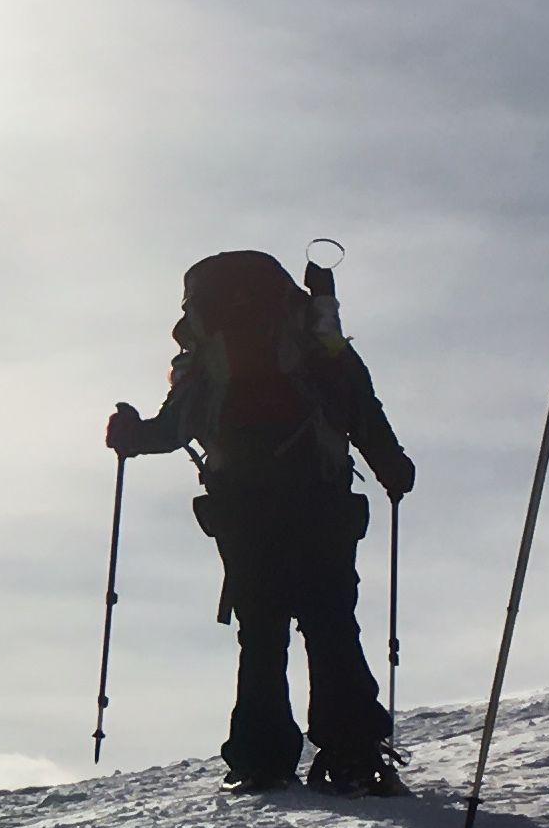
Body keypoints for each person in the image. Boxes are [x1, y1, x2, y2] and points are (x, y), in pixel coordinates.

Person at [106, 250, 416, 796]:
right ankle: (351, 754)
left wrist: (130, 433)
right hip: (320, 500)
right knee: (330, 621)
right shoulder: (316, 344)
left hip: (242, 510)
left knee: (262, 630)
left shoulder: (207, 357)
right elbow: (358, 404)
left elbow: (175, 426)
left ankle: (261, 760)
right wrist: (392, 468)